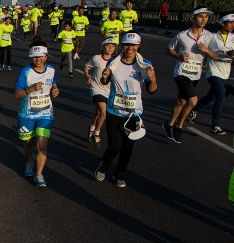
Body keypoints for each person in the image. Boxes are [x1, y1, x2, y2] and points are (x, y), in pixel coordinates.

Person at [94, 31, 157, 188]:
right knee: (115, 146)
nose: (130, 48)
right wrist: (104, 75)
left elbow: (152, 90)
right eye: (127, 44)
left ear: (138, 46)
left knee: (127, 148)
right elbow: (104, 80)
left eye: (133, 45)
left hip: (134, 114)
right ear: (122, 46)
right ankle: (104, 165)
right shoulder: (114, 63)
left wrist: (153, 79)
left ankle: (119, 174)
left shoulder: (145, 64)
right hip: (114, 111)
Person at [162, 7, 218, 143]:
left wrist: (206, 51)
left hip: (196, 74)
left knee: (182, 101)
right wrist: (179, 57)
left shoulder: (210, 36)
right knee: (193, 101)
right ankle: (179, 127)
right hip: (181, 72)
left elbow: (215, 56)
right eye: (200, 16)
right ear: (192, 18)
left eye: (206, 17)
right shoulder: (182, 35)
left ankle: (168, 124)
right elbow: (169, 49)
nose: (204, 19)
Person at [14, 38, 59, 187]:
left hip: (45, 114)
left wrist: (55, 90)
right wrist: (30, 89)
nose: (38, 59)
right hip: (27, 114)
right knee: (28, 144)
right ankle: (28, 162)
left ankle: (39, 173)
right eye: (34, 56)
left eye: (40, 56)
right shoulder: (26, 72)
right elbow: (17, 94)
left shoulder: (51, 70)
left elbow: (53, 83)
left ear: (46, 56)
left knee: (42, 145)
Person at [188, 14, 234, 135]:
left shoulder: (233, 38)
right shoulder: (212, 37)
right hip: (212, 71)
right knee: (220, 96)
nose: (232, 25)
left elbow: (231, 55)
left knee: (211, 97)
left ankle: (195, 108)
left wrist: (216, 54)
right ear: (223, 24)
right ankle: (215, 126)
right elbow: (202, 50)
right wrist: (205, 58)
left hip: (225, 72)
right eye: (230, 23)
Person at [84, 38, 117, 147]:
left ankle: (92, 128)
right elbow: (86, 67)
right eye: (108, 46)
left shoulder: (116, 61)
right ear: (102, 47)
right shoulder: (96, 58)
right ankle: (96, 134)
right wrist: (88, 76)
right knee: (103, 113)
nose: (111, 48)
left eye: (113, 46)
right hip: (96, 88)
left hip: (109, 91)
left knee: (98, 113)